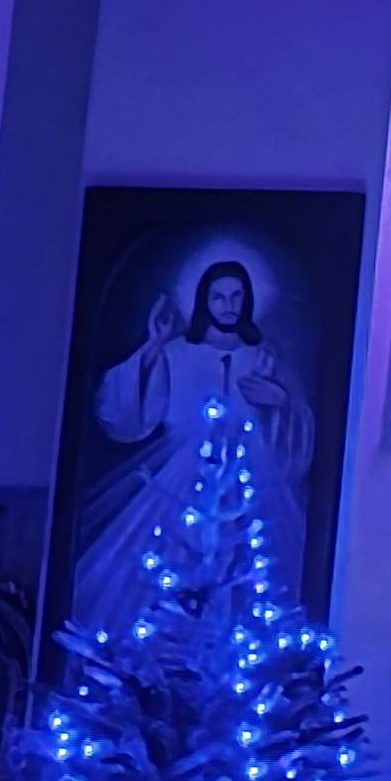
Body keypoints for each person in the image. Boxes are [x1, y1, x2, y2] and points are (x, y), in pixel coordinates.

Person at [70, 255, 315, 637]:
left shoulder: (264, 356)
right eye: (219, 297)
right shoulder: (176, 353)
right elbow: (134, 418)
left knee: (247, 578)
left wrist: (280, 402)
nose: (229, 306)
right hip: (181, 485)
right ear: (204, 301)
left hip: (247, 488)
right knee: (162, 575)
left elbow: (292, 433)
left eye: (236, 296)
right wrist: (153, 347)